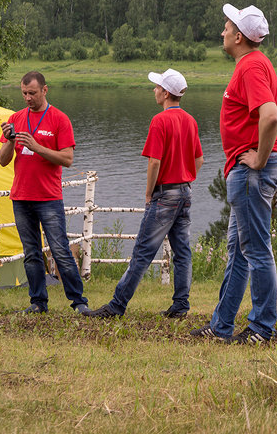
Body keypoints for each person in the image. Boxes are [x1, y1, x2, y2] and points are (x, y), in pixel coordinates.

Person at [191, 4, 277, 345]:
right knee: (240, 250)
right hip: (245, 171)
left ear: (240, 36)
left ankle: (261, 328)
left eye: (227, 27)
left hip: (251, 173)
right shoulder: (252, 64)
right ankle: (221, 325)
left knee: (257, 250)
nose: (222, 32)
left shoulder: (251, 67)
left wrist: (259, 159)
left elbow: (270, 116)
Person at [85, 68, 203, 319]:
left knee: (142, 252)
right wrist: (186, 177)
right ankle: (181, 305)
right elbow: (199, 159)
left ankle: (117, 306)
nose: (154, 90)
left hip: (165, 194)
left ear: (166, 93)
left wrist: (149, 193)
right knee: (182, 253)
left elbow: (154, 162)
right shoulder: (190, 121)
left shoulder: (160, 121)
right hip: (185, 193)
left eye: (158, 87)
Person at [0, 71, 89, 315]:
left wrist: (37, 147)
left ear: (45, 90)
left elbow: (68, 159)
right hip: (21, 196)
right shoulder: (15, 118)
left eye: (33, 93)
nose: (28, 98)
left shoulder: (59, 119)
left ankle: (79, 302)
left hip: (48, 197)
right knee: (31, 252)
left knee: (60, 250)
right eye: (24, 93)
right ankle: (38, 302)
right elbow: (3, 161)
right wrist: (9, 141)